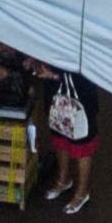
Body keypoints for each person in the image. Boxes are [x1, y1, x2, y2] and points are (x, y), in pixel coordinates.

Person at [42, 66, 96, 215]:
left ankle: (82, 192)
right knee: (59, 133)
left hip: (80, 88)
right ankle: (63, 180)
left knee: (82, 142)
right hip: (55, 87)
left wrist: (55, 75)